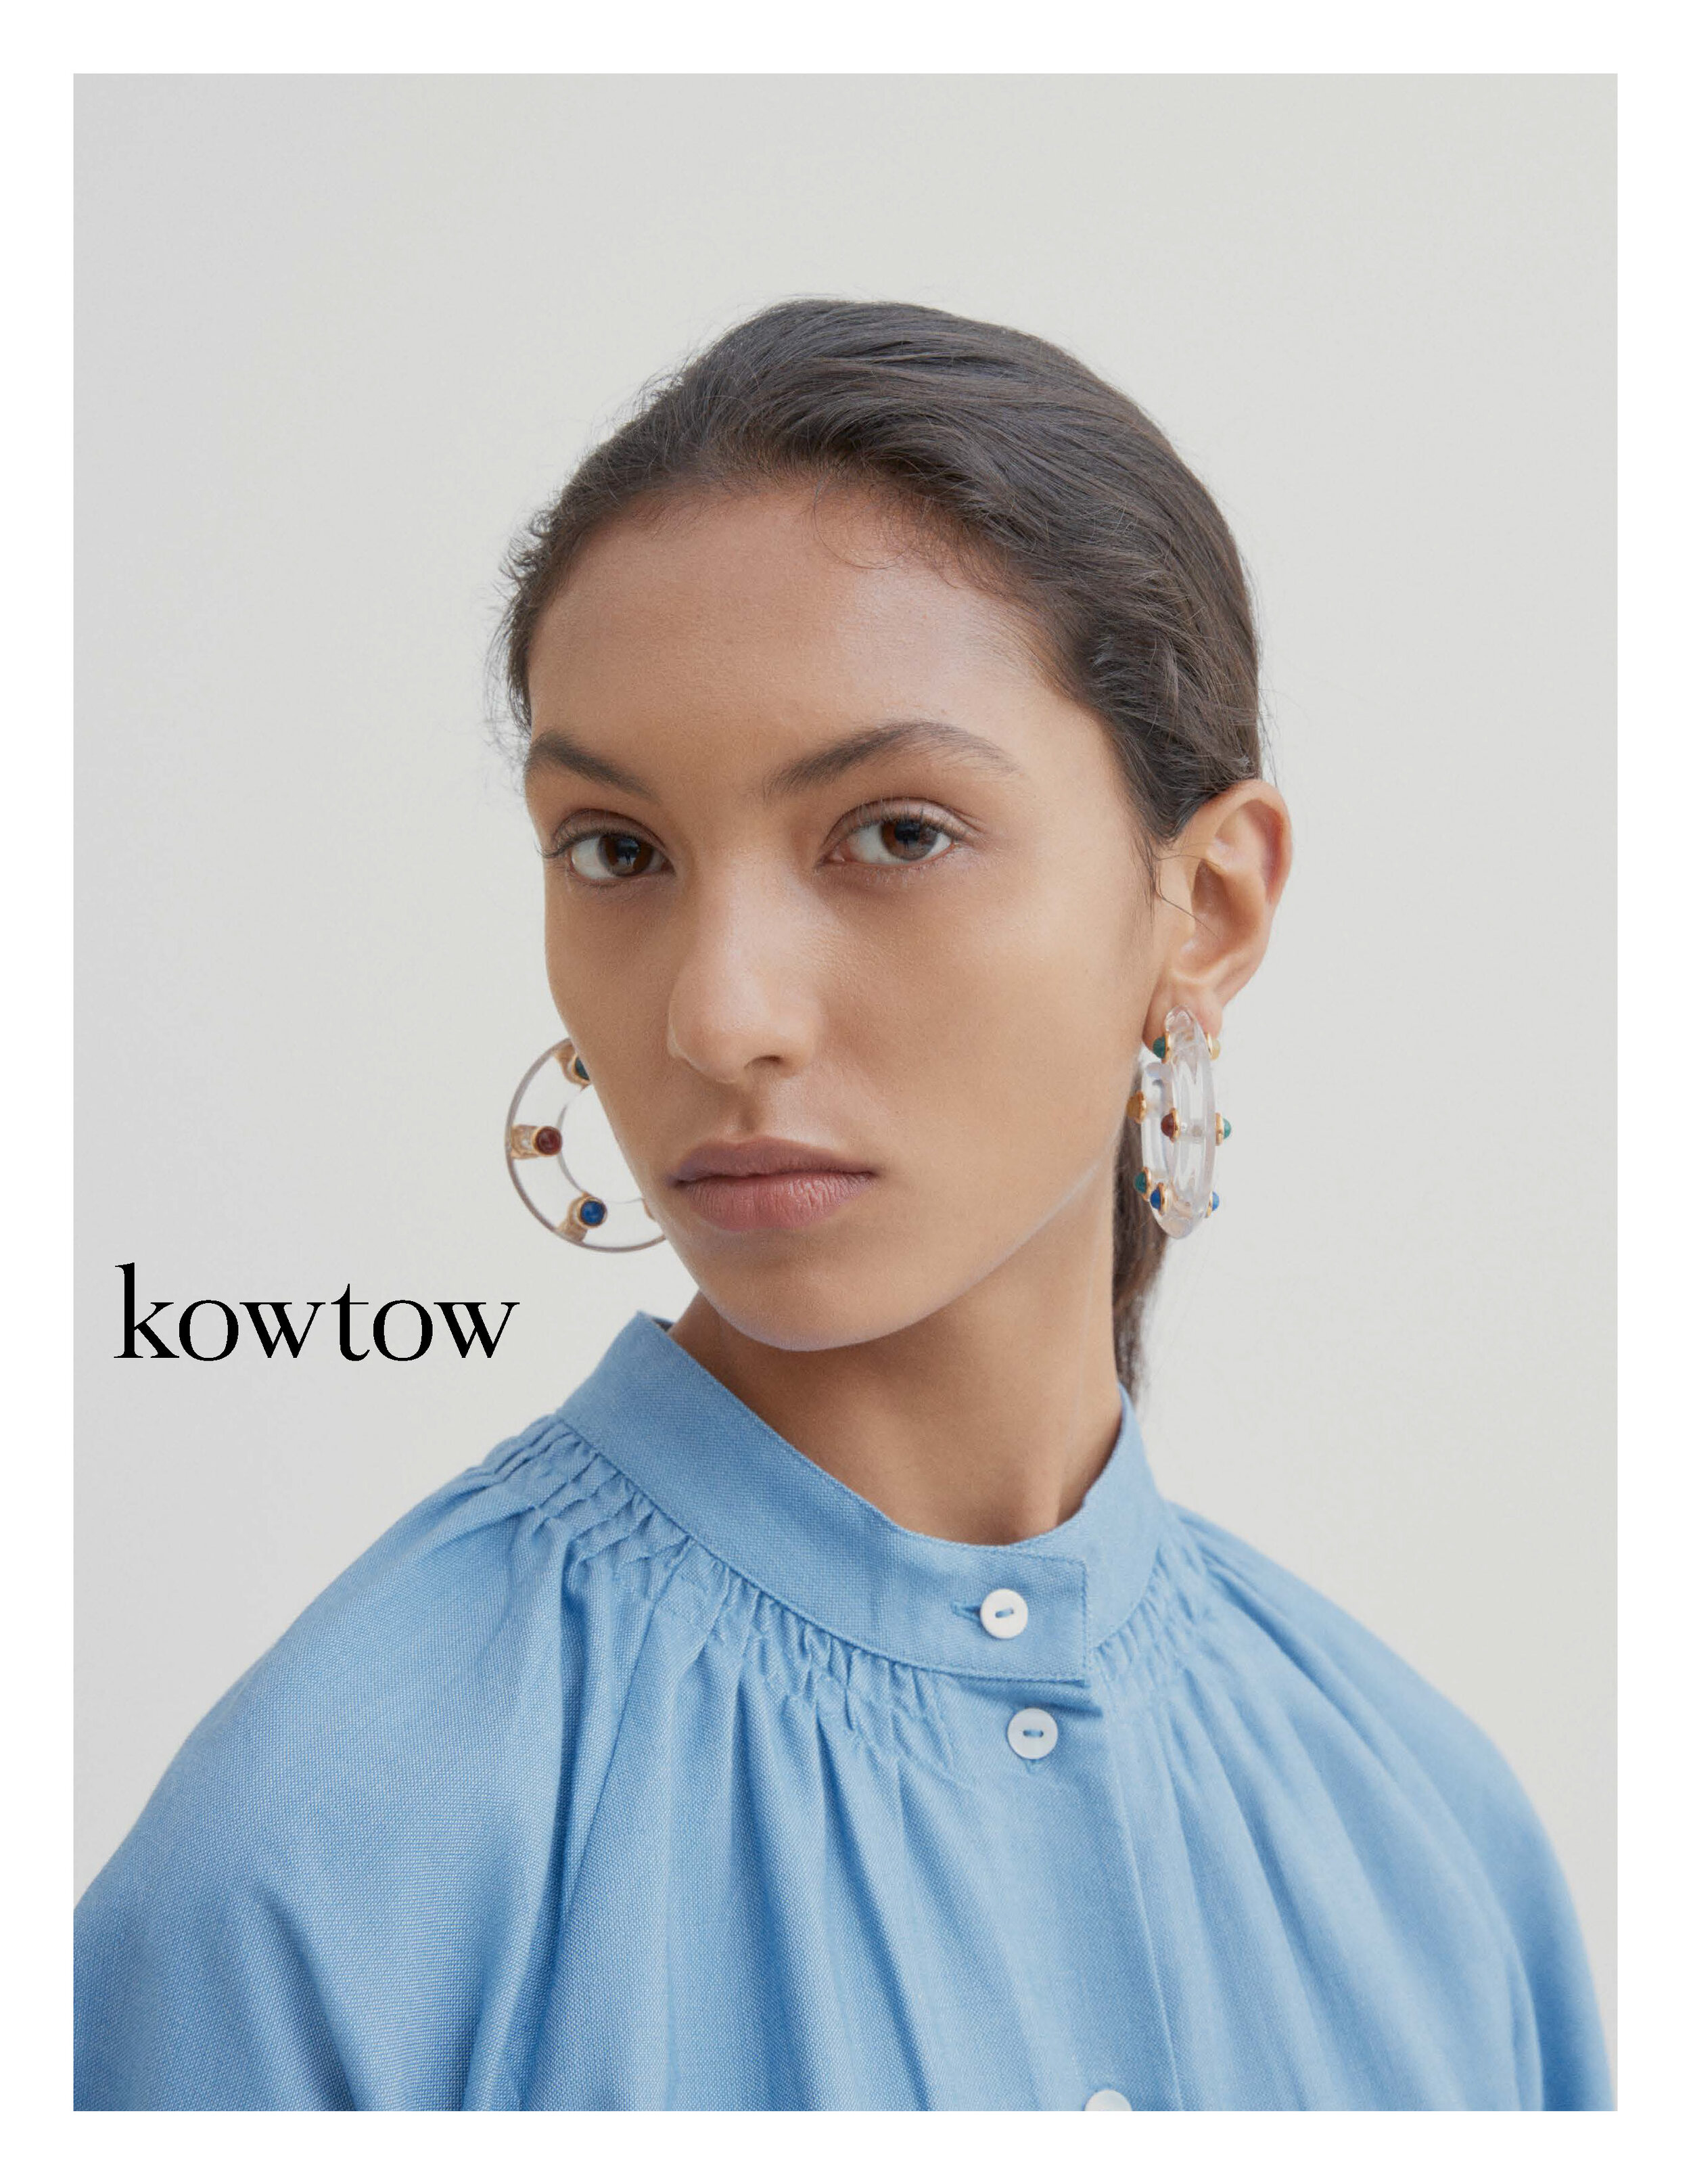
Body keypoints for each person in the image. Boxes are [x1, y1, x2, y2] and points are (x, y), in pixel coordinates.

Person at [74, 299, 1612, 2110]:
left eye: (895, 832)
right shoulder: (323, 1856)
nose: (717, 1012)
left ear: (1204, 907)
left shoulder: (1431, 1849)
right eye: (616, 851)